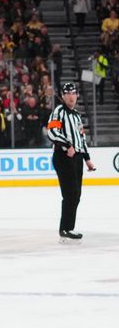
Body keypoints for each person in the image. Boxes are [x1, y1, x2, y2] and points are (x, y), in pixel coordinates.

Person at [47, 82, 96, 241]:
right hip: (63, 157)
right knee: (70, 193)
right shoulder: (58, 112)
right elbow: (52, 132)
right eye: (67, 93)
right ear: (63, 96)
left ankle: (69, 228)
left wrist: (87, 159)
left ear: (77, 95)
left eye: (73, 93)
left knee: (76, 194)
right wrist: (67, 145)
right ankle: (65, 229)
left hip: (77, 158)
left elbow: (81, 138)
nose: (71, 96)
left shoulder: (76, 115)